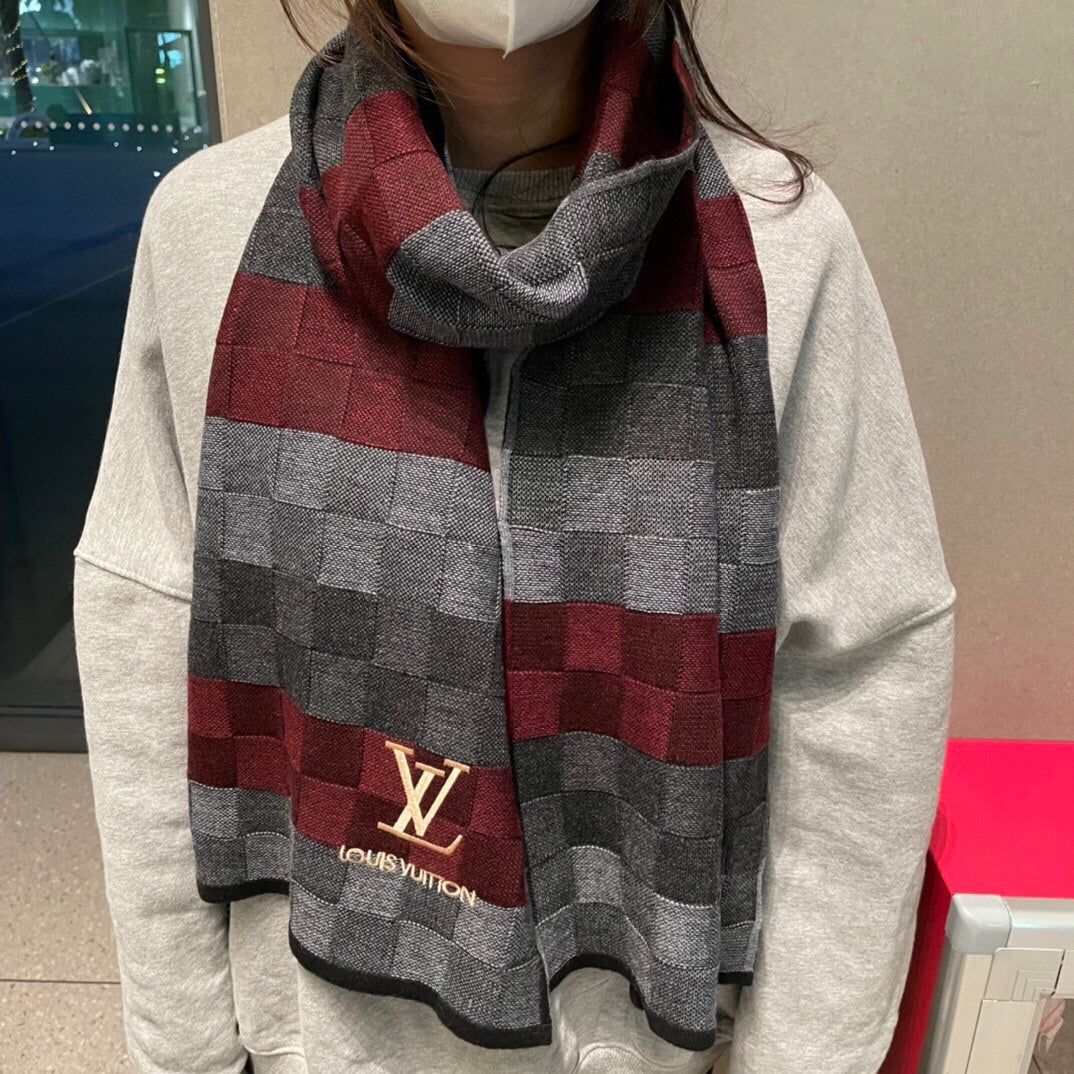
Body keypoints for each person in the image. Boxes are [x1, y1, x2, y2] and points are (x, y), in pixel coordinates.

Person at [71, 1, 957, 1072]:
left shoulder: (779, 242)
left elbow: (863, 676)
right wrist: (184, 1050)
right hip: (312, 1036)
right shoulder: (207, 227)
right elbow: (142, 636)